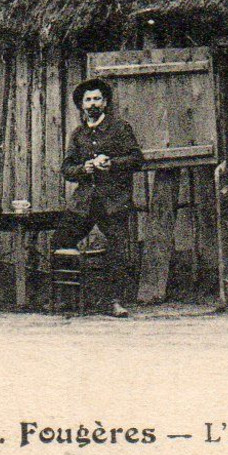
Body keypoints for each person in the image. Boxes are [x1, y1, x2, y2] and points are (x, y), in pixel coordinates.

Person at [60, 78, 144, 318]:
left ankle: (115, 301)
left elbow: (137, 159)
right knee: (61, 241)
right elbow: (66, 168)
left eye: (97, 98)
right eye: (88, 99)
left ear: (105, 102)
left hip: (113, 201)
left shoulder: (120, 128)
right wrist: (83, 168)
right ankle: (69, 299)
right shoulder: (78, 134)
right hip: (84, 203)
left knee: (117, 248)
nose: (92, 103)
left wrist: (112, 164)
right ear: (81, 105)